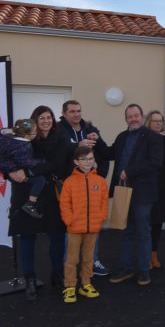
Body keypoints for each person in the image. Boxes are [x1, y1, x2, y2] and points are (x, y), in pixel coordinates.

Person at [7, 105, 69, 301]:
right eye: (41, 117)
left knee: (57, 237)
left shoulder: (61, 140)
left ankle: (57, 275)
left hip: (51, 193)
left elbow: (57, 164)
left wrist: (30, 172)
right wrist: (9, 172)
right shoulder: (23, 138)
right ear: (35, 120)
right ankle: (30, 280)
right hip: (26, 193)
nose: (46, 121)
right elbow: (8, 159)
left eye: (49, 117)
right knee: (27, 237)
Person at [108, 103, 163, 287]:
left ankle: (143, 271)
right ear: (126, 119)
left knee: (142, 232)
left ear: (142, 116)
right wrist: (94, 138)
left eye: (136, 115)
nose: (133, 119)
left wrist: (129, 171)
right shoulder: (122, 137)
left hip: (142, 193)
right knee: (125, 231)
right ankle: (126, 268)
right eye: (129, 116)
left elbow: (155, 162)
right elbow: (109, 153)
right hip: (123, 190)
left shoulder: (153, 137)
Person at [58, 100, 111, 277]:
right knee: (71, 230)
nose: (76, 114)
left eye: (79, 111)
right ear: (64, 113)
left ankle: (93, 261)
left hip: (92, 184)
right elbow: (57, 154)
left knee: (92, 226)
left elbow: (105, 153)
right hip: (71, 184)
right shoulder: (59, 130)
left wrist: (101, 173)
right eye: (72, 111)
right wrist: (77, 146)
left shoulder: (89, 128)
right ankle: (68, 268)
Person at [59, 146, 109, 303]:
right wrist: (69, 219)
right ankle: (69, 286)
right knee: (71, 259)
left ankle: (86, 283)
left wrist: (101, 217)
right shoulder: (69, 182)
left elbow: (104, 202)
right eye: (84, 159)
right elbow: (64, 203)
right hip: (74, 228)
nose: (88, 162)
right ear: (76, 162)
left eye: (91, 158)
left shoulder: (100, 181)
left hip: (93, 227)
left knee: (88, 258)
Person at [0, 118, 46, 219]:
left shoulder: (2, 135)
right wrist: (40, 161)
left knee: (18, 183)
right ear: (27, 135)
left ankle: (14, 209)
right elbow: (25, 162)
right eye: (35, 132)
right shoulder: (24, 146)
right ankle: (31, 203)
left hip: (3, 166)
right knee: (40, 180)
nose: (36, 134)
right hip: (14, 169)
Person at [145, 110, 165, 269]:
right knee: (145, 223)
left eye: (160, 121)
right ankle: (145, 256)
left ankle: (154, 255)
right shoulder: (142, 139)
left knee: (157, 223)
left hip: (161, 188)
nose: (158, 123)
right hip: (145, 188)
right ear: (148, 123)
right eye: (154, 121)